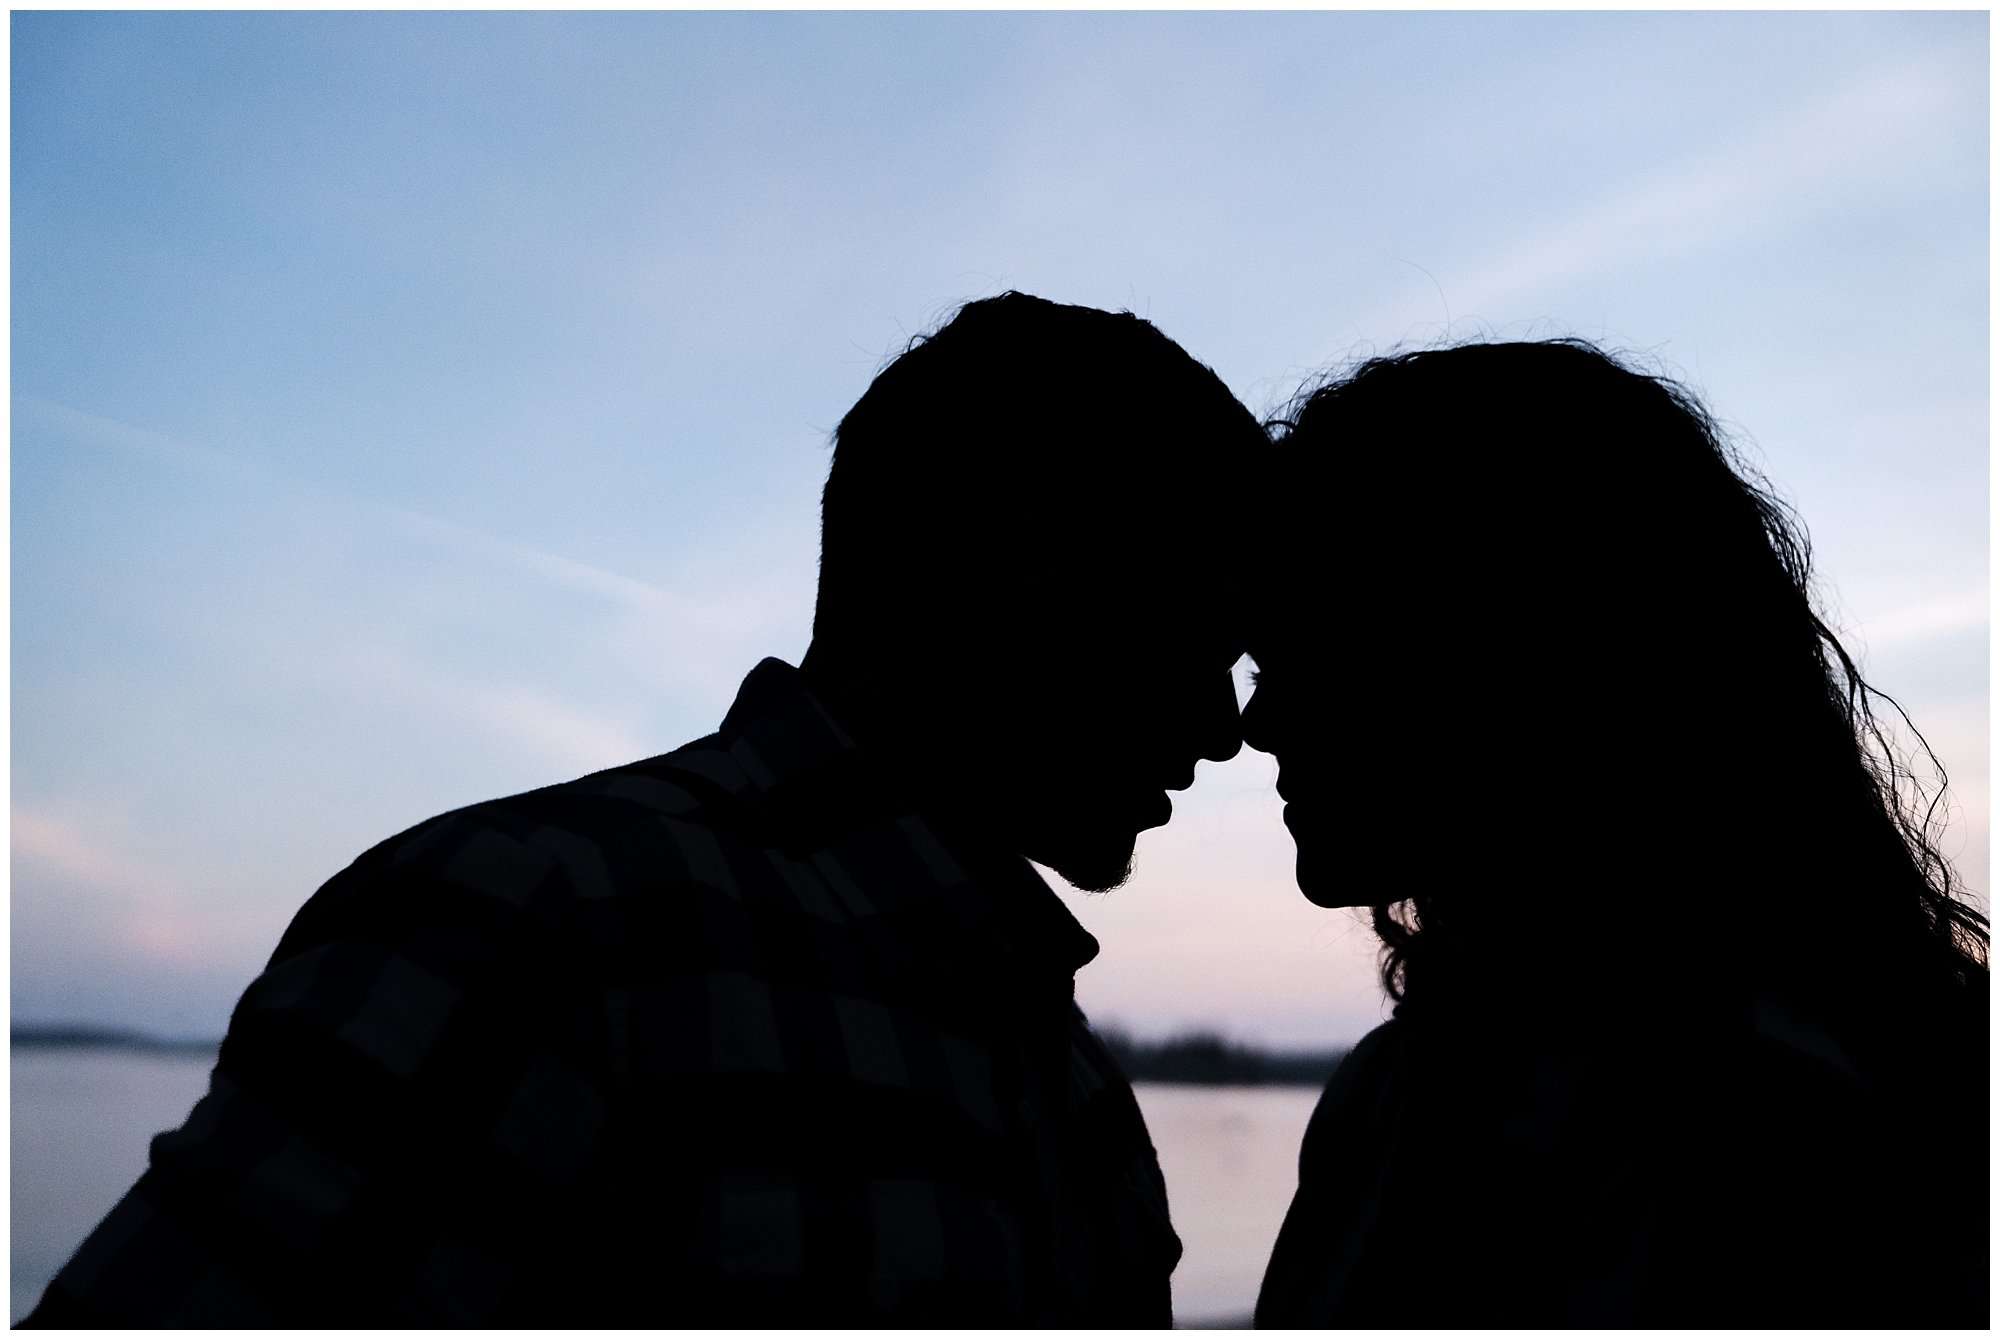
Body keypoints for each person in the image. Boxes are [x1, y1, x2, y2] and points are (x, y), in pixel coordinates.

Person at [24, 292, 1261, 1326]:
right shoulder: (524, 928)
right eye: (1197, 635)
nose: (1220, 726)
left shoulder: (1059, 1064)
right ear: (1024, 568)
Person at [1243, 340, 1989, 1327]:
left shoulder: (1778, 1137)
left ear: (1504, 654)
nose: (1255, 723)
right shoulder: (1390, 1100)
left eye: (1311, 656)